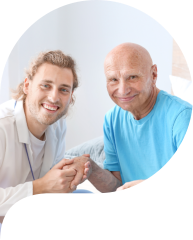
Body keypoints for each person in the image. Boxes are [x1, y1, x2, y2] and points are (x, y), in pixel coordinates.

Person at [85, 42, 193, 192]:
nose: (122, 90)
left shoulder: (182, 117)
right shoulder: (112, 119)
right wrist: (90, 168)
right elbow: (116, 185)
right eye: (113, 80)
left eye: (132, 77)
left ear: (154, 74)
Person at [0, 50, 93, 222]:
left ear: (71, 96)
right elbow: (44, 186)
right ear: (27, 85)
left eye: (63, 89)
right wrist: (39, 187)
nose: (53, 97)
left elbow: (52, 181)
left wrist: (70, 174)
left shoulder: (57, 124)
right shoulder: (2, 127)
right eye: (46, 85)